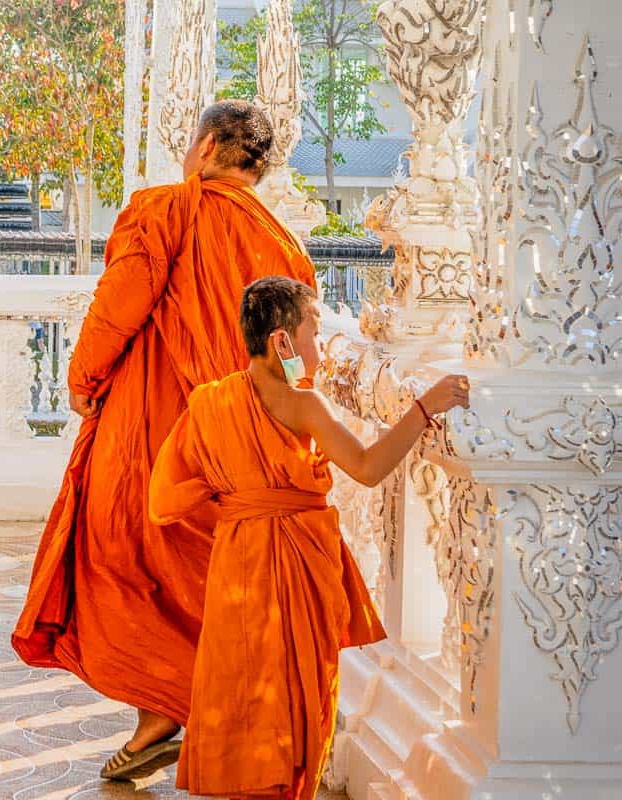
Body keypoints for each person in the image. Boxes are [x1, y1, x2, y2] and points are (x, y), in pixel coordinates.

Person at [12, 99, 319, 781]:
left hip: (160, 427)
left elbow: (120, 300)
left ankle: (161, 709)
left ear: (208, 146)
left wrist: (84, 376)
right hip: (244, 440)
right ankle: (223, 723)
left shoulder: (167, 208)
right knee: (224, 575)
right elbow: (299, 360)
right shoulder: (287, 247)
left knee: (125, 553)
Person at [148, 276, 469, 798]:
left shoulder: (209, 402)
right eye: (314, 333)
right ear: (282, 342)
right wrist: (424, 407)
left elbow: (165, 498)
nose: (319, 347)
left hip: (235, 558)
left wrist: (242, 500)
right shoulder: (304, 405)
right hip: (292, 560)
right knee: (294, 689)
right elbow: (367, 467)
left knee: (240, 684)